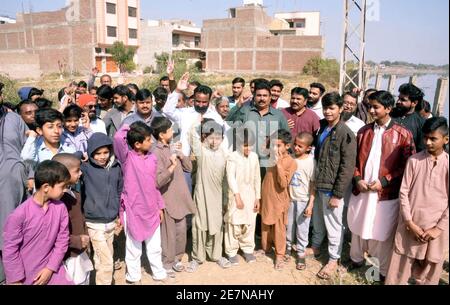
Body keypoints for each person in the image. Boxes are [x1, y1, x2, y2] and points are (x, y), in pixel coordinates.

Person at [347, 91, 416, 282]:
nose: (371, 110)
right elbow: (352, 160)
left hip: (385, 194)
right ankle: (356, 260)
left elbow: (408, 166)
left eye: (376, 107)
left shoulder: (403, 134)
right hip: (362, 189)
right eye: (370, 106)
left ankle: (379, 270)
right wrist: (357, 178)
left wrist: (384, 181)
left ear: (388, 108)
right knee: (358, 226)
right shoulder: (363, 131)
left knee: (381, 233)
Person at [386, 117, 448, 285]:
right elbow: (403, 192)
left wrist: (438, 228)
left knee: (430, 269)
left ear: (446, 139)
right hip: (410, 224)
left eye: (433, 138)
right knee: (400, 268)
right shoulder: (414, 160)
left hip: (436, 228)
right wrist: (409, 222)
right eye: (425, 137)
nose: (427, 142)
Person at [308, 92, 356, 280]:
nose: (328, 112)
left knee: (334, 225)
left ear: (341, 109)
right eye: (326, 108)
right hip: (319, 183)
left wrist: (338, 193)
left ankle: (334, 259)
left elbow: (347, 166)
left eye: (332, 108)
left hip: (332, 189)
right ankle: (316, 246)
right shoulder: (322, 127)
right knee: (318, 220)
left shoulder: (345, 133)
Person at [2, 160, 73, 285]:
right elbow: (10, 249)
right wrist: (15, 280)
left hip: (53, 270)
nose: (65, 190)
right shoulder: (19, 215)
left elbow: (62, 240)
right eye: (62, 187)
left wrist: (50, 268)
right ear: (46, 187)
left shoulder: (60, 208)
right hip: (26, 275)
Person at [114, 122, 168, 283]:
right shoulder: (127, 158)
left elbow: (154, 185)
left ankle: (159, 273)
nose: (151, 142)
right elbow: (118, 137)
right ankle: (133, 276)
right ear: (137, 144)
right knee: (133, 247)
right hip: (133, 210)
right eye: (148, 139)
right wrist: (130, 126)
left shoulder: (152, 158)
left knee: (154, 247)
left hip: (151, 209)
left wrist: (160, 207)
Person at [151, 117, 196, 275]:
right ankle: (167, 263)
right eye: (170, 130)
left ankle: (176, 259)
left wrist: (181, 154)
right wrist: (171, 165)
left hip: (180, 197)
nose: (172, 132)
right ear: (162, 135)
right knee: (168, 234)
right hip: (167, 199)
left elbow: (189, 169)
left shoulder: (172, 147)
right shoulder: (155, 152)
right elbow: (158, 181)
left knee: (181, 231)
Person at [187, 119, 231, 272]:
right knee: (199, 224)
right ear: (204, 137)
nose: (214, 141)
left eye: (218, 138)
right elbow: (192, 134)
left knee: (216, 224)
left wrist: (226, 199)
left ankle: (216, 255)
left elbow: (226, 180)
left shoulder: (225, 155)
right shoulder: (201, 152)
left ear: (222, 139)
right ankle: (197, 257)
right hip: (201, 194)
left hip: (218, 197)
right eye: (211, 137)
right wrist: (200, 122)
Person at [81, 133, 123, 285]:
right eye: (97, 153)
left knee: (102, 258)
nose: (102, 156)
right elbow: (68, 161)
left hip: (111, 220)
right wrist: (80, 154)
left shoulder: (116, 167)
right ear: (91, 153)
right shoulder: (85, 168)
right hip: (94, 221)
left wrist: (118, 214)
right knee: (106, 261)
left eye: (105, 152)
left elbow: (119, 190)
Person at [257, 130, 297, 270]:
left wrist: (279, 165)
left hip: (279, 200)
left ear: (287, 146)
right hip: (267, 197)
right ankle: (266, 248)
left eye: (278, 145)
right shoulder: (270, 157)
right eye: (273, 145)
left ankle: (279, 255)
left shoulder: (290, 162)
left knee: (279, 228)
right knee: (265, 224)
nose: (275, 149)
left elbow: (283, 184)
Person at [0, 92, 29, 284]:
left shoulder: (14, 119)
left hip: (14, 186)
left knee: (13, 231)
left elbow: (28, 149)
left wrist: (31, 175)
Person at [52, 153, 92, 285]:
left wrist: (85, 237)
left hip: (80, 250)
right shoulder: (56, 202)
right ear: (63, 173)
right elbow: (54, 234)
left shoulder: (74, 194)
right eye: (77, 171)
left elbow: (81, 218)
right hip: (68, 256)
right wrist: (77, 241)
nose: (80, 173)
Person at [163, 73, 225, 157]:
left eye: (204, 102)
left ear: (209, 100)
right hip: (184, 160)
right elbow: (167, 111)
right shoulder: (184, 113)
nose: (200, 105)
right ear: (193, 99)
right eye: (198, 101)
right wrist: (177, 90)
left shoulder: (216, 117)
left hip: (207, 161)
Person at [224, 128, 261, 265]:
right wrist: (237, 196)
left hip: (251, 195)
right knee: (234, 223)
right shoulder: (232, 157)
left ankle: (247, 249)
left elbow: (257, 177)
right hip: (236, 195)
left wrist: (258, 197)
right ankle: (231, 251)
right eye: (245, 145)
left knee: (250, 222)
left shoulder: (254, 156)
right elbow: (230, 177)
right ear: (238, 144)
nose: (248, 148)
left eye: (251, 144)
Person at [286, 132, 316, 271]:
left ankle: (301, 252)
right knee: (289, 225)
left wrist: (310, 205)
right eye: (295, 144)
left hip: (304, 201)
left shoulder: (311, 162)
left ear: (308, 148)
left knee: (302, 228)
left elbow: (312, 185)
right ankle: (287, 247)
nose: (296, 148)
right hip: (290, 199)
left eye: (300, 146)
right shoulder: (290, 158)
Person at [392, 83, 426, 152]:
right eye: (398, 98)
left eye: (403, 100)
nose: (398, 101)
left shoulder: (421, 122)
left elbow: (421, 149)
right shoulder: (389, 114)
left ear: (414, 103)